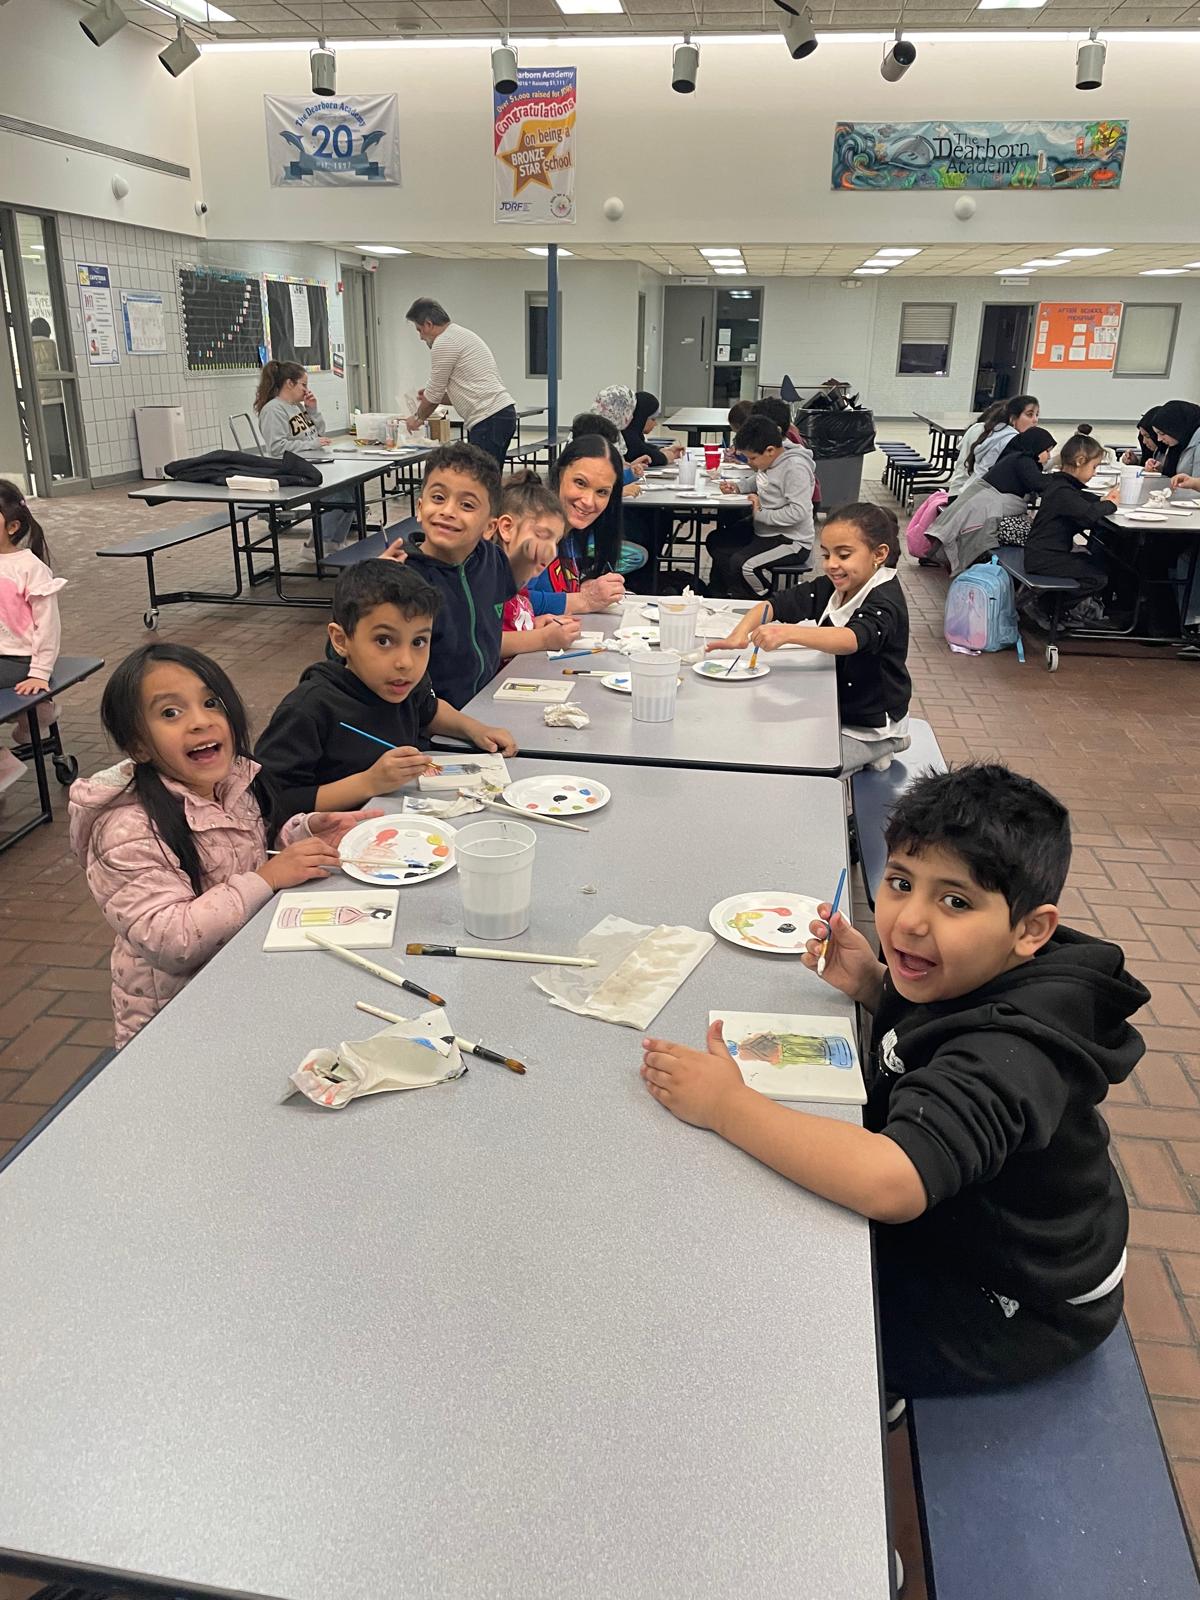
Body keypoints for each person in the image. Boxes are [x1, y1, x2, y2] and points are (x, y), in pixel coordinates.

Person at [641, 763, 1145, 1398]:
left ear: (1031, 931)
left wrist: (726, 1105)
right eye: (902, 883)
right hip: (978, 1226)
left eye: (955, 901)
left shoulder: (1012, 1052)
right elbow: (943, 1029)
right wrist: (874, 985)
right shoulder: (974, 971)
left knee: (796, 1333)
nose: (909, 920)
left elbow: (890, 1181)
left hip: (1023, 1299)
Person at [68, 644, 367, 1048]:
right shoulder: (127, 829)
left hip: (237, 983)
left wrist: (307, 833)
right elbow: (170, 938)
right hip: (175, 1021)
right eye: (170, 713)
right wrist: (267, 879)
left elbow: (248, 854)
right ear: (138, 746)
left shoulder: (231, 784)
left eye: (211, 703)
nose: (200, 722)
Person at [255, 561, 515, 818]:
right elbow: (269, 800)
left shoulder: (406, 684)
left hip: (401, 825)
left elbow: (430, 710)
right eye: (384, 640)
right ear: (341, 640)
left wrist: (475, 729)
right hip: (333, 837)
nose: (406, 662)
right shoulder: (308, 709)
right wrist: (368, 783)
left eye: (419, 642)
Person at [706, 502, 910, 775]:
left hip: (868, 723)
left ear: (879, 554)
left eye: (844, 555)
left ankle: (888, 743)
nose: (832, 565)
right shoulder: (837, 585)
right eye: (826, 555)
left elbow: (851, 638)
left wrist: (786, 633)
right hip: (836, 706)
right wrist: (738, 635)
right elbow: (774, 605)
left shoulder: (885, 600)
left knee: (810, 770)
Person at [378, 443, 538, 709]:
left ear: (489, 527)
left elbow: (508, 587)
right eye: (438, 498)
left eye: (466, 505)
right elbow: (348, 654)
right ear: (420, 508)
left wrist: (528, 555)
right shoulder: (402, 576)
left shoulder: (490, 558)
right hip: (426, 719)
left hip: (485, 703)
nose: (448, 511)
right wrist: (370, 591)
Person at [0, 480, 65, 797]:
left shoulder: (29, 568)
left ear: (12, 527)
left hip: (21, 659)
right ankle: (35, 715)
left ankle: (4, 762)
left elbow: (48, 625)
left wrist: (40, 672)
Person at [254, 360, 356, 554]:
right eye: (303, 385)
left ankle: (334, 542)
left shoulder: (297, 407)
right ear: (289, 383)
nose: (306, 390)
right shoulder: (273, 410)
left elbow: (319, 434)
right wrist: (312, 444)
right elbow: (277, 449)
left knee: (351, 488)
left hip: (314, 463)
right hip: (292, 471)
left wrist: (313, 410)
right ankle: (316, 545)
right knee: (339, 495)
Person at [707, 415, 816, 599]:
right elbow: (760, 479)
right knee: (716, 541)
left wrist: (760, 514)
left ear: (770, 450)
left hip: (791, 540)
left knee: (743, 565)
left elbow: (798, 512)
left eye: (752, 458)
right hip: (765, 530)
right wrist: (738, 487)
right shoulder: (769, 462)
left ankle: (766, 599)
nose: (749, 462)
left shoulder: (795, 468)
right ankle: (725, 593)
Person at [403, 299, 517, 468]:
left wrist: (417, 418)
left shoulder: (444, 342)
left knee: (480, 477)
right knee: (489, 475)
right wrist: (436, 397)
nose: (420, 337)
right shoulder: (460, 334)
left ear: (428, 324)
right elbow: (463, 392)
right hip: (500, 414)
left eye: (420, 330)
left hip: (488, 418)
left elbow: (434, 392)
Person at [930, 427, 1056, 577]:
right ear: (1037, 446)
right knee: (1035, 535)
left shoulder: (1014, 457)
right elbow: (1040, 483)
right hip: (986, 510)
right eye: (1047, 451)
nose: (1049, 456)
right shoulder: (1024, 461)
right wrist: (1064, 479)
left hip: (977, 505)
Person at [526, 435, 627, 617]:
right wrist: (584, 600)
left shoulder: (574, 534)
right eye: (580, 483)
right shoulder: (531, 528)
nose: (588, 501)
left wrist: (583, 587)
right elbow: (512, 602)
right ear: (559, 474)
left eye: (602, 492)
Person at [1026, 434, 1123, 612]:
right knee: (1097, 577)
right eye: (1094, 467)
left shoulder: (1061, 485)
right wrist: (1110, 504)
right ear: (1080, 461)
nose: (1094, 473)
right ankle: (1046, 607)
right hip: (1045, 558)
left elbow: (1082, 499)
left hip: (1042, 553)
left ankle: (1051, 606)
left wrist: (1101, 500)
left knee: (1097, 562)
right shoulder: (1063, 492)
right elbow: (1087, 515)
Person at [491, 473, 582, 659]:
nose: (552, 551)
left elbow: (511, 625)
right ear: (506, 528)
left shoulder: (520, 580)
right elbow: (485, 643)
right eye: (542, 536)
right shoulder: (488, 581)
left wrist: (533, 624)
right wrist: (543, 638)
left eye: (555, 542)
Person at [966, 393, 1040, 481]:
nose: (1035, 420)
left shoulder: (998, 432)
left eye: (1037, 415)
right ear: (1013, 418)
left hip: (974, 486)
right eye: (1029, 415)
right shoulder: (1012, 440)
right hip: (984, 488)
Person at [947, 402, 1004, 498]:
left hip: (956, 489)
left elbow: (959, 448)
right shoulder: (996, 436)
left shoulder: (975, 428)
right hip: (967, 494)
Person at [623, 392, 681, 468]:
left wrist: (660, 450)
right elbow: (639, 453)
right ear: (641, 419)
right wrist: (665, 458)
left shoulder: (632, 433)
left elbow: (643, 446)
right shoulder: (626, 438)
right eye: (653, 419)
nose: (655, 424)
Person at [1152, 400, 1200, 481]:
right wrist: (1161, 469)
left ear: (1175, 428)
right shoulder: (1181, 440)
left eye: (1162, 433)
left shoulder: (1197, 441)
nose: (1159, 439)